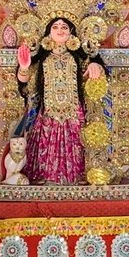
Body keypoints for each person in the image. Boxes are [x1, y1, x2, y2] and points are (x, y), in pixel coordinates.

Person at [15, 16, 106, 185]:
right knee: (45, 145)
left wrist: (95, 65)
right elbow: (26, 84)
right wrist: (24, 67)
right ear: (48, 32)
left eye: (64, 27)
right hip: (48, 113)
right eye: (55, 27)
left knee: (77, 144)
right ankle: (47, 180)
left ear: (71, 32)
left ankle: (76, 180)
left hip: (74, 113)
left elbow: (92, 76)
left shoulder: (77, 58)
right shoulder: (42, 58)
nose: (60, 30)